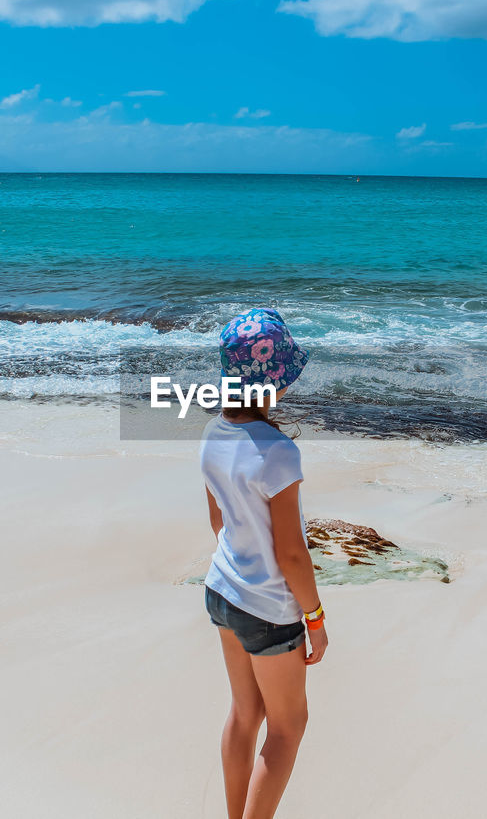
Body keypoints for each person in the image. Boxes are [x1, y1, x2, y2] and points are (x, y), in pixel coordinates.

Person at [200, 308, 327, 819]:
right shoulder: (278, 451)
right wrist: (315, 620)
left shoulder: (211, 432)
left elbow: (218, 523)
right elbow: (291, 554)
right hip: (267, 609)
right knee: (288, 728)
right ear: (273, 383)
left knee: (244, 713)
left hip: (222, 590)